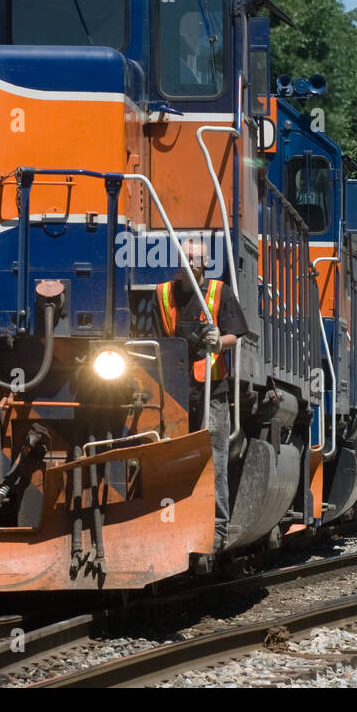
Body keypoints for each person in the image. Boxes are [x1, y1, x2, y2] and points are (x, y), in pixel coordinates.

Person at [154, 237, 248, 553]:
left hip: (212, 390)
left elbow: (237, 334)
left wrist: (219, 341)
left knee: (215, 459)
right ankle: (167, 520)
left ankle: (217, 528)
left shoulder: (220, 292)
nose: (191, 264)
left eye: (195, 259)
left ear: (205, 262)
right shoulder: (163, 293)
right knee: (168, 457)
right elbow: (156, 339)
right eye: (186, 259)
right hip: (174, 391)